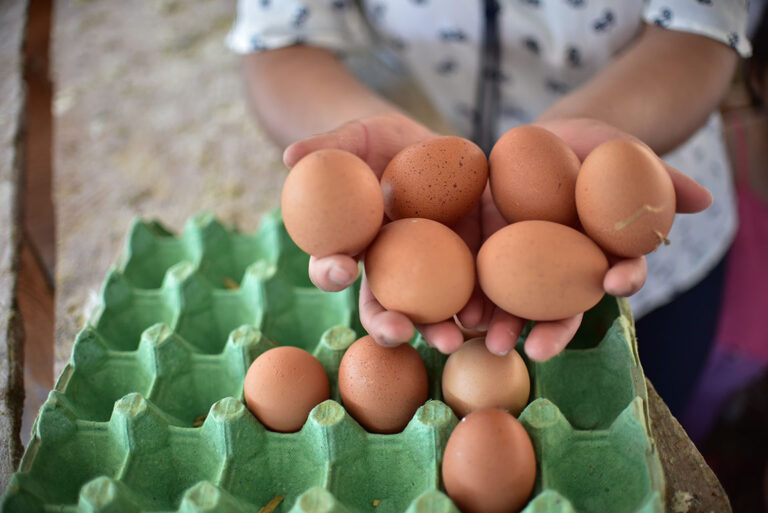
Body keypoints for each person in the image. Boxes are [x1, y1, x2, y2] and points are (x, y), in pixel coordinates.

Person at [227, 1, 748, 415]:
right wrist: (362, 166)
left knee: (664, 410)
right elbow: (278, 43)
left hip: (655, 222)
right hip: (467, 211)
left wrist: (575, 158)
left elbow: (700, 32)